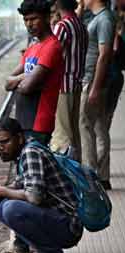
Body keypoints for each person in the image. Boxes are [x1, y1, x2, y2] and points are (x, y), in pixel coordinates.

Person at [0, 117, 82, 253]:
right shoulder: (23, 152)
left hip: (68, 227)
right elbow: (19, 185)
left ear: (19, 138)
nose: (0, 148)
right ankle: (22, 246)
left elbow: (34, 197)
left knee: (11, 208)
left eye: (5, 142)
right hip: (56, 218)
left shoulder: (31, 153)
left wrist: (1, 190)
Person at [6, 0, 65, 144]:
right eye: (25, 20)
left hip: (39, 122)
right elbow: (8, 83)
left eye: (33, 19)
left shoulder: (51, 47)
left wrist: (22, 81)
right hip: (24, 122)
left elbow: (26, 87)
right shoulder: (33, 48)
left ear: (46, 18)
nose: (29, 24)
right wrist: (26, 76)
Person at [79, 0, 116, 189]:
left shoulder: (104, 19)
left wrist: (94, 86)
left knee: (86, 126)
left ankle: (92, 176)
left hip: (93, 80)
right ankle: (101, 176)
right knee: (99, 127)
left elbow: (105, 55)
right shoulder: (99, 18)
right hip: (93, 80)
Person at [50, 0, 88, 158]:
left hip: (63, 86)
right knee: (74, 134)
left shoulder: (63, 26)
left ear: (58, 4)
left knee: (62, 136)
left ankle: (66, 174)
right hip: (76, 84)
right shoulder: (80, 25)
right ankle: (77, 170)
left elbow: (52, 53)